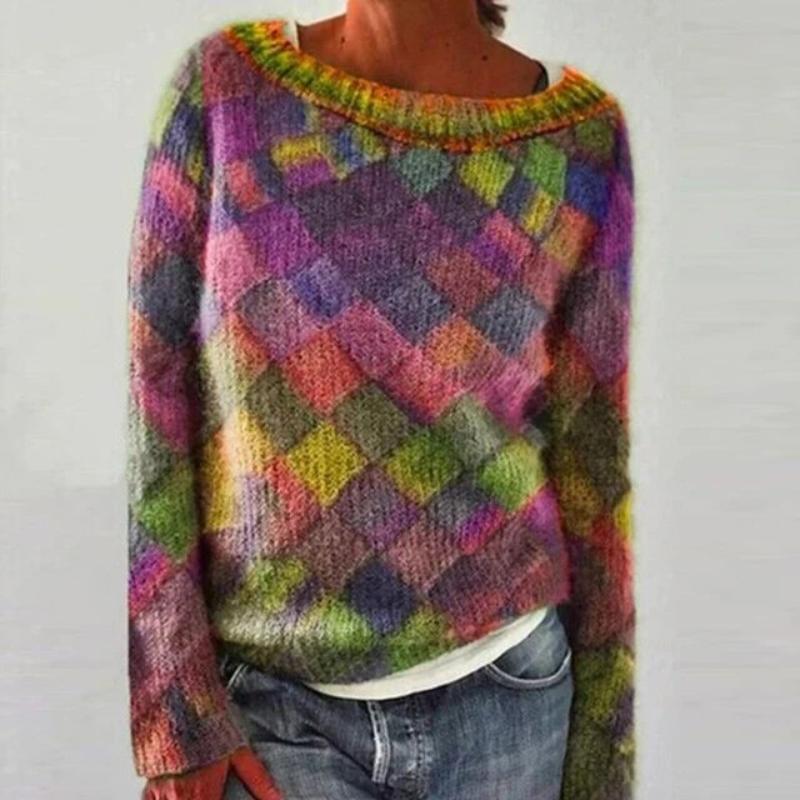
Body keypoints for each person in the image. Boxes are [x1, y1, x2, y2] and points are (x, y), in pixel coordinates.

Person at [125, 2, 636, 798]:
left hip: (509, 706)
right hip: (268, 716)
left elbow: (593, 454)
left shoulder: (579, 143)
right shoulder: (226, 92)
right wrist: (174, 708)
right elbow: (154, 396)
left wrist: (605, 757)